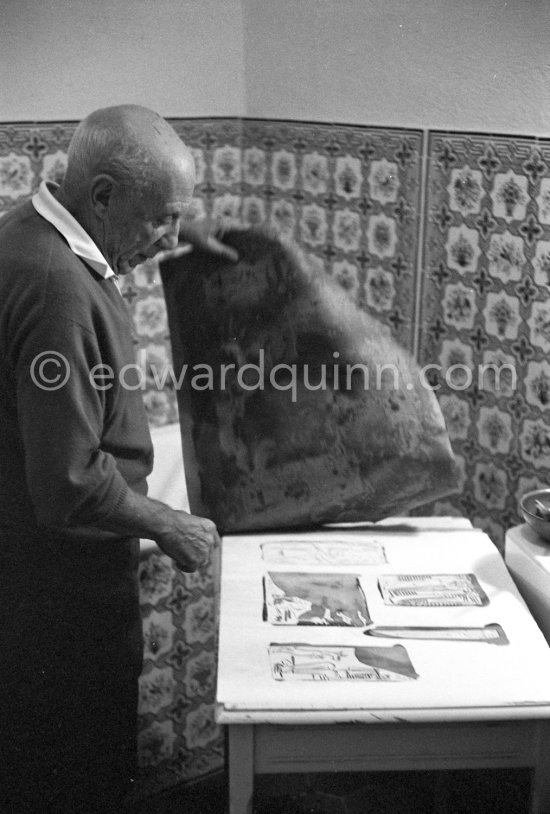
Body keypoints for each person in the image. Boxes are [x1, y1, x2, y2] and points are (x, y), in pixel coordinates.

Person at [0, 104, 235, 813]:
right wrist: (168, 523)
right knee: (77, 776)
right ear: (101, 196)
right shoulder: (58, 291)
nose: (169, 238)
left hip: (26, 579)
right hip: (59, 597)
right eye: (161, 219)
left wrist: (176, 226)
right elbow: (69, 482)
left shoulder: (30, 229)